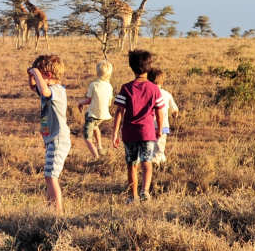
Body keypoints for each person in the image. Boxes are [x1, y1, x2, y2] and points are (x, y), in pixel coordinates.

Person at [112, 50, 166, 202]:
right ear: (149, 67)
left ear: (131, 67)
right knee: (146, 163)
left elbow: (119, 112)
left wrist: (115, 133)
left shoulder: (126, 88)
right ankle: (145, 191)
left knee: (131, 165)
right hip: (147, 133)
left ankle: (132, 195)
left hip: (129, 133)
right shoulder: (154, 89)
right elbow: (159, 112)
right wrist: (159, 129)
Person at [27, 54, 71, 214]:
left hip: (59, 139)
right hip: (51, 139)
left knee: (51, 176)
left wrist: (35, 73)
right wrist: (32, 76)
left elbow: (44, 91)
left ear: (48, 75)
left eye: (40, 73)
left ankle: (57, 213)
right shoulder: (48, 88)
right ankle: (51, 208)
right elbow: (35, 88)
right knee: (48, 175)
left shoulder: (57, 90)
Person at [77, 60, 114, 160]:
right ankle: (100, 147)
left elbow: (88, 100)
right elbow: (109, 102)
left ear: (97, 72)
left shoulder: (93, 85)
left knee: (87, 138)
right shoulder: (109, 86)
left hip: (92, 115)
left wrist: (80, 103)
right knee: (95, 127)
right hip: (103, 115)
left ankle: (96, 157)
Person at [148, 68, 179, 164]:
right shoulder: (167, 94)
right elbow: (175, 110)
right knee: (160, 144)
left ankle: (156, 162)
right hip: (164, 126)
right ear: (162, 81)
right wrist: (174, 114)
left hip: (149, 125)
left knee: (150, 145)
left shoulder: (147, 94)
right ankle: (160, 161)